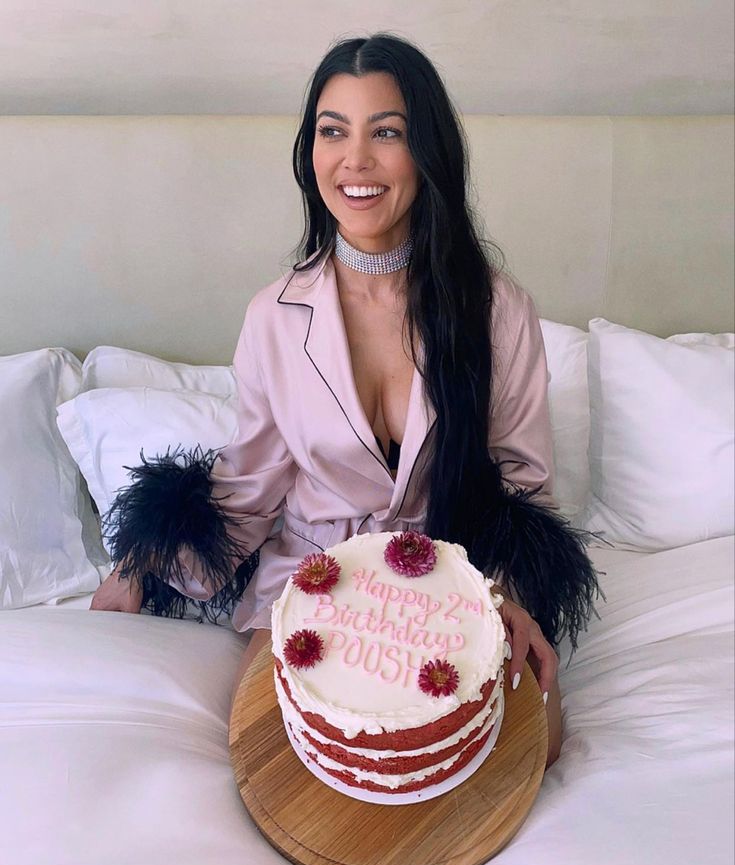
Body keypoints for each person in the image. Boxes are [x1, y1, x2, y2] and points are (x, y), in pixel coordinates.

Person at [91, 34, 599, 768]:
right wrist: (142, 561)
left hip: (450, 582)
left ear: (425, 153)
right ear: (310, 152)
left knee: (530, 753)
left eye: (385, 132)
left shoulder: (497, 309)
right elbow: (249, 486)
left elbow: (520, 486)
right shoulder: (275, 314)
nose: (354, 160)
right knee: (285, 758)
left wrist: (507, 593)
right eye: (333, 131)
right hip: (312, 580)